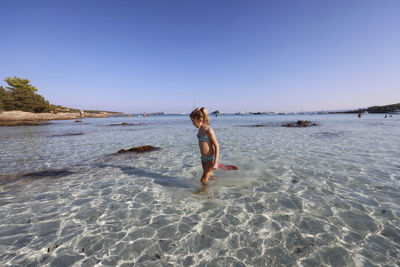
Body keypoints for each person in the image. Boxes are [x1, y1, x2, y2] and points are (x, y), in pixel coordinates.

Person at [190, 107, 220, 184]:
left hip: (210, 159)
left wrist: (215, 162)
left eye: (193, 121)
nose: (193, 124)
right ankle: (214, 190)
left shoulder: (209, 130)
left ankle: (201, 194)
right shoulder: (200, 129)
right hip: (203, 158)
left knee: (203, 180)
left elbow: (217, 146)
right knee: (209, 176)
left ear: (200, 119)